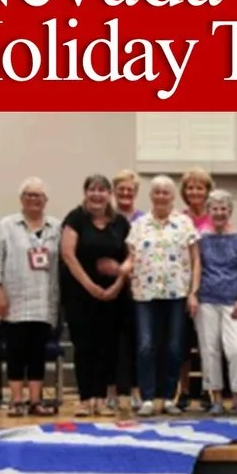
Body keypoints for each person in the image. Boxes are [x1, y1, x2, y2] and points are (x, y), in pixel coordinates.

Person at [0, 178, 61, 416]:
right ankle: (17, 400)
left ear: (46, 201)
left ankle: (36, 401)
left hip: (44, 300)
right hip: (13, 300)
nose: (34, 200)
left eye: (39, 195)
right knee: (15, 351)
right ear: (21, 199)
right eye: (29, 195)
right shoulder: (6, 226)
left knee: (37, 351)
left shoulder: (56, 227)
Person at [57, 173, 130, 416]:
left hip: (113, 295)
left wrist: (118, 282)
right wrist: (90, 286)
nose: (97, 194)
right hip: (80, 293)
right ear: (85, 193)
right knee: (84, 346)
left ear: (109, 194)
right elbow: (68, 254)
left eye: (102, 190)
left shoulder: (120, 223)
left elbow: (131, 256)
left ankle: (101, 398)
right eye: (92, 189)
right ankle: (85, 397)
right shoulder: (75, 218)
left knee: (107, 346)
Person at [126, 175, 198, 416]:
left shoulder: (185, 223)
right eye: (156, 192)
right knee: (146, 345)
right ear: (150, 196)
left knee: (175, 346)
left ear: (173, 196)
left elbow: (197, 261)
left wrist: (193, 293)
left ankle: (168, 397)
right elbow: (131, 257)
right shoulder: (139, 224)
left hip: (177, 292)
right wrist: (121, 269)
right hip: (144, 294)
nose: (161, 196)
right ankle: (147, 397)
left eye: (165, 192)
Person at [190, 190, 237, 414]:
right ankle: (216, 399)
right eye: (214, 209)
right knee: (210, 350)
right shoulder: (200, 239)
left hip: (234, 303)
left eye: (223, 209)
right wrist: (194, 295)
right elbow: (195, 268)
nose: (219, 213)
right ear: (208, 212)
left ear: (230, 211)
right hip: (207, 301)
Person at [176, 169, 217, 408]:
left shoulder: (216, 217)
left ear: (207, 191)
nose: (194, 192)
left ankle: (208, 390)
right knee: (182, 342)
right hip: (183, 287)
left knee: (208, 342)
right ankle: (181, 391)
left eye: (199, 187)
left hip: (211, 288)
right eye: (190, 187)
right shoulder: (179, 219)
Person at [108, 170, 143, 413]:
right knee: (111, 342)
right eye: (121, 188)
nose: (125, 193)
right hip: (110, 289)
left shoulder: (143, 219)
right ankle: (109, 391)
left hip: (137, 289)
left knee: (136, 341)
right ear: (114, 191)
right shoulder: (106, 218)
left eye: (130, 189)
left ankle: (135, 391)